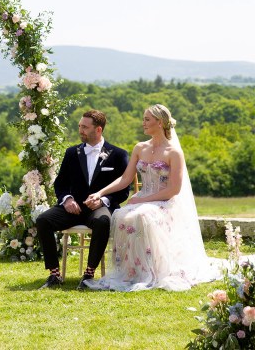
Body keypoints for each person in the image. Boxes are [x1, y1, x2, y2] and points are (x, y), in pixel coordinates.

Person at [83, 104, 223, 291]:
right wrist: (100, 193)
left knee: (142, 215)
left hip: (164, 202)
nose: (143, 123)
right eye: (143, 119)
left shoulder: (173, 152)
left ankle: (152, 271)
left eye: (147, 119)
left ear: (160, 122)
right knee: (120, 214)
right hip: (142, 198)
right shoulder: (140, 148)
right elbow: (125, 179)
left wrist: (141, 200)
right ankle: (130, 272)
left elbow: (174, 189)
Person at [36, 109, 129, 290]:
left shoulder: (118, 155)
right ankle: (54, 275)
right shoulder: (71, 153)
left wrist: (103, 201)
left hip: (98, 208)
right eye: (80, 126)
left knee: (103, 221)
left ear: (99, 130)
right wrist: (67, 199)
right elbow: (60, 184)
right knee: (43, 220)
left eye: (85, 127)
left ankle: (88, 275)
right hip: (73, 208)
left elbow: (124, 190)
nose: (81, 130)